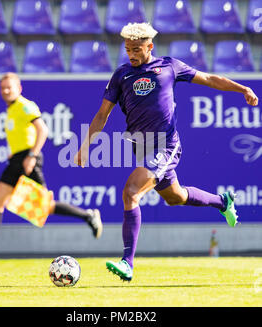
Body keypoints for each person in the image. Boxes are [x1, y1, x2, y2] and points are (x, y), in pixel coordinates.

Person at [74, 22, 259, 282]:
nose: (131, 54)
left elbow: (208, 79)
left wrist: (243, 89)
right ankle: (222, 202)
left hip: (166, 146)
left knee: (130, 192)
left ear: (149, 46)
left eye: (136, 49)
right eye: (128, 49)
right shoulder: (121, 75)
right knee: (176, 197)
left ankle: (127, 262)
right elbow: (102, 114)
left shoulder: (169, 66)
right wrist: (85, 145)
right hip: (142, 147)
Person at [0, 72, 103, 259]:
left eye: (9, 87)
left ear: (19, 88)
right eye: (3, 88)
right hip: (16, 160)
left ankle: (89, 216)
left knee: (43, 206)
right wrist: (15, 153)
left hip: (27, 159)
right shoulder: (12, 109)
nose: (5, 91)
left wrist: (31, 155)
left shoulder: (24, 105)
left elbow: (42, 130)